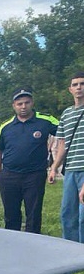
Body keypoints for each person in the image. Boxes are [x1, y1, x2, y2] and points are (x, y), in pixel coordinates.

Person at [0, 87, 59, 233]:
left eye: (27, 103)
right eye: (19, 104)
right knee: (11, 215)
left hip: (34, 176)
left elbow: (66, 132)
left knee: (33, 215)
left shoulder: (46, 120)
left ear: (32, 103)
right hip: (9, 176)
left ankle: (32, 243)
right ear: (14, 106)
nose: (23, 106)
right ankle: (12, 242)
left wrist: (55, 165)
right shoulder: (5, 126)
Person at [51, 72, 84, 241]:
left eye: (82, 84)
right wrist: (54, 167)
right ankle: (70, 249)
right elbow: (63, 144)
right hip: (70, 170)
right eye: (75, 84)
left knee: (83, 216)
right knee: (67, 213)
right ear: (70, 89)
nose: (79, 87)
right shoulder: (66, 114)